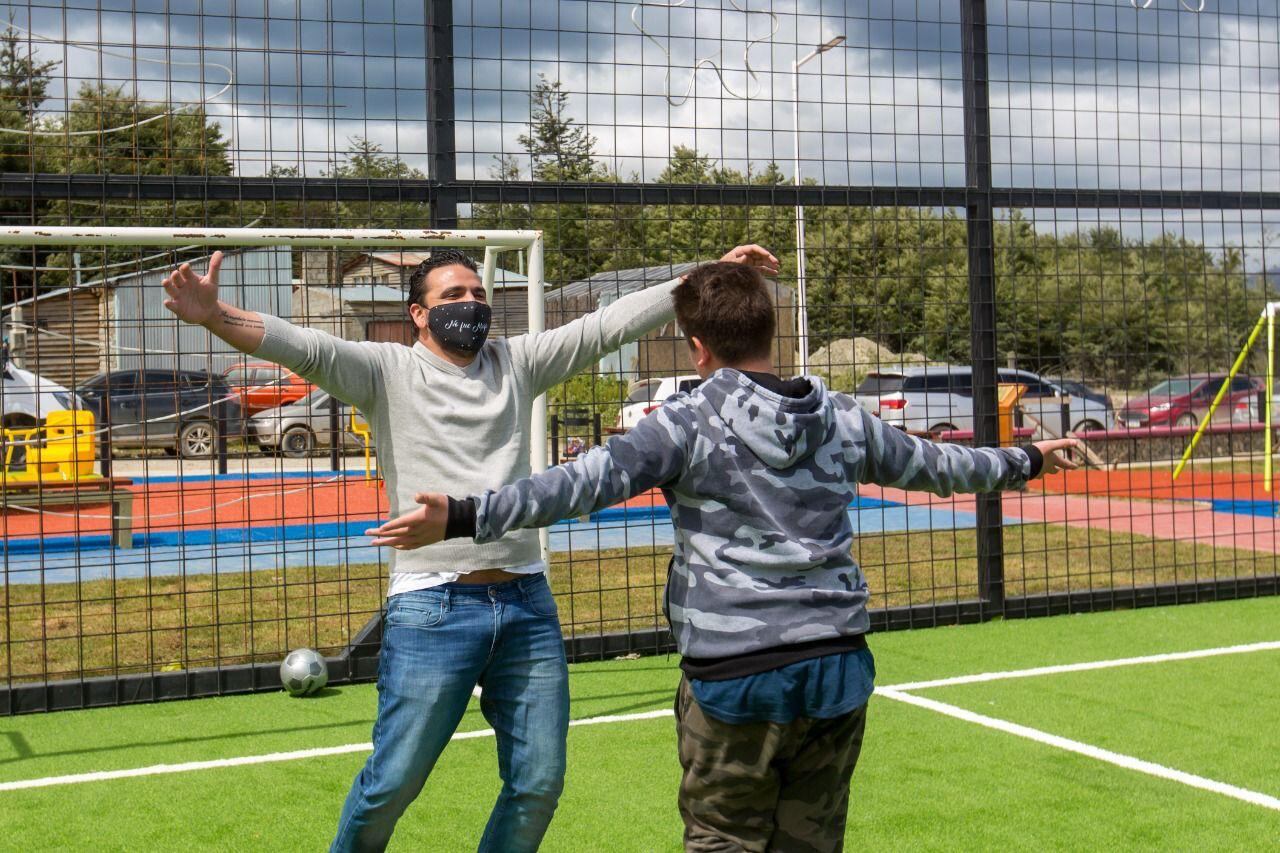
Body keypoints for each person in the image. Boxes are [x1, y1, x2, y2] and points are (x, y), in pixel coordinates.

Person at [370, 260, 1079, 852]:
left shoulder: (684, 421)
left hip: (736, 677)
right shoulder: (839, 414)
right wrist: (1024, 457)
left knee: (723, 840)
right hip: (836, 666)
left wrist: (462, 513)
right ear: (770, 331)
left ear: (697, 346)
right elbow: (938, 466)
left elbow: (574, 487)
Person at [160, 244, 779, 853]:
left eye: (478, 294)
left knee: (538, 784)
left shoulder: (517, 361)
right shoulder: (383, 369)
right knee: (392, 783)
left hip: (527, 602)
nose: (471, 303)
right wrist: (216, 316)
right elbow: (305, 346)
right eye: (452, 295)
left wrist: (709, 276)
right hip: (432, 606)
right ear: (419, 314)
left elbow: (603, 328)